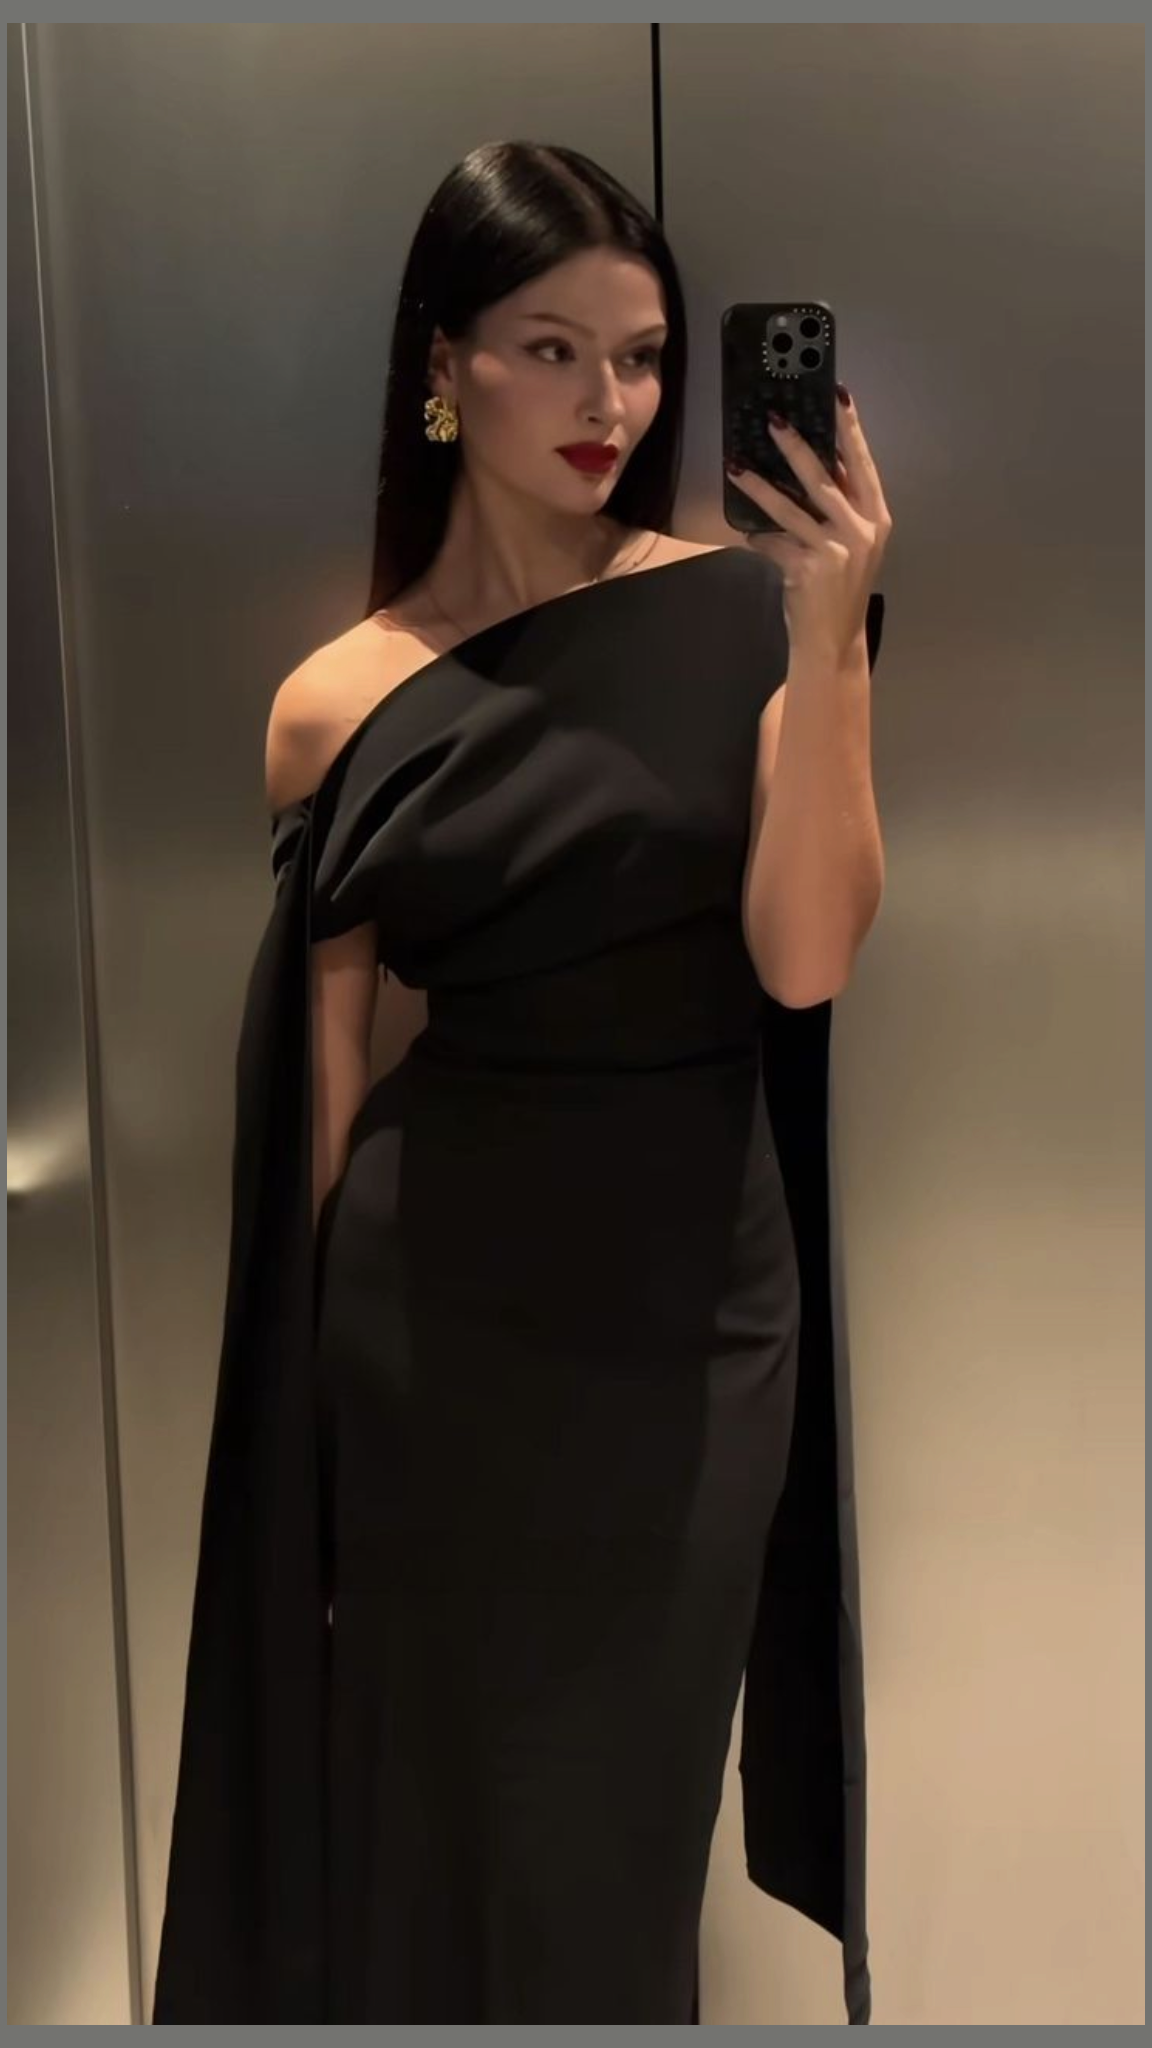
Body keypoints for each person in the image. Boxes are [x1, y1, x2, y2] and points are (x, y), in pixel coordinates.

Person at [151, 138, 890, 2026]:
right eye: (551, 350)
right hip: (433, 1335)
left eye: (639, 358)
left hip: (694, 1320)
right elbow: (323, 1087)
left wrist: (831, 630)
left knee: (618, 1847)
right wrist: (309, 1446)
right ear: (443, 363)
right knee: (432, 1814)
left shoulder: (755, 616)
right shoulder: (335, 699)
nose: (608, 404)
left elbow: (806, 958)